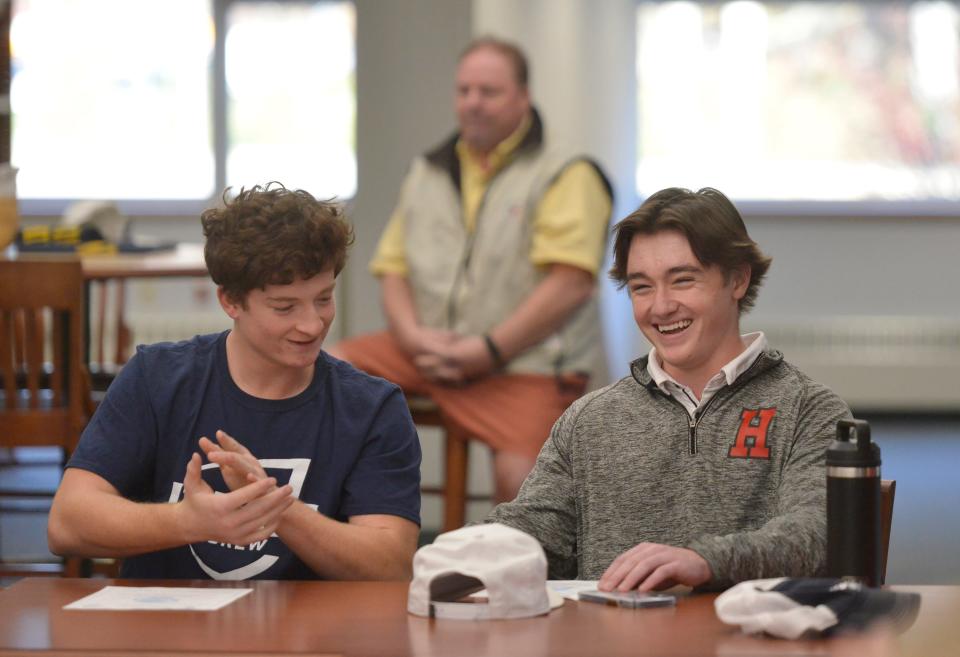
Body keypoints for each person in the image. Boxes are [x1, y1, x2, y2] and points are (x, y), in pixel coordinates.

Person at [48, 183, 422, 580]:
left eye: (324, 298)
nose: (312, 324)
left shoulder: (372, 408)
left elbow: (391, 565)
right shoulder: (156, 378)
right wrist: (189, 522)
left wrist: (275, 509)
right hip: (163, 630)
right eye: (284, 307)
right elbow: (66, 525)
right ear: (230, 301)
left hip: (308, 637)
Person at [488, 187, 851, 591]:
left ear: (737, 279)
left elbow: (818, 536)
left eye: (682, 280)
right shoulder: (589, 419)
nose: (660, 307)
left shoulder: (809, 410)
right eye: (641, 287)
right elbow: (532, 534)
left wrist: (704, 561)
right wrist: (467, 553)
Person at [331, 37, 613, 503]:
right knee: (327, 373)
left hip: (524, 366)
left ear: (524, 96)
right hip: (426, 351)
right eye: (464, 91)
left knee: (523, 483)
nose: (473, 103)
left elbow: (570, 284)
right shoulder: (429, 171)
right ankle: (353, 535)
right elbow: (393, 270)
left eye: (489, 91)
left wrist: (488, 350)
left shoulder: (566, 173)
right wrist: (411, 337)